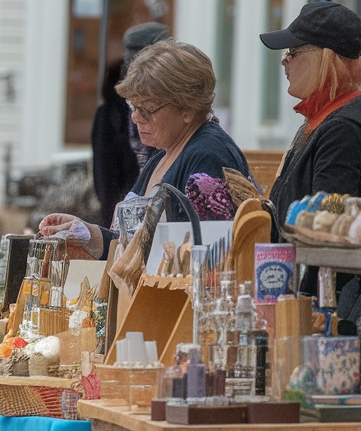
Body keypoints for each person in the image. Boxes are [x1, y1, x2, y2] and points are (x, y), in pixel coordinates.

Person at [39, 39, 252, 259]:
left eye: (148, 108)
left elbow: (208, 258)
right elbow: (133, 243)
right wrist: (90, 234)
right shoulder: (164, 154)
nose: (135, 117)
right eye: (133, 105)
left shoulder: (208, 157)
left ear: (188, 108)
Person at [260, 1, 361, 328]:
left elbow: (330, 212)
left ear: (325, 57)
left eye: (294, 51)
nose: (285, 60)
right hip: (324, 296)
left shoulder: (342, 129)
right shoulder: (324, 120)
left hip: (335, 309)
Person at [90, 23, 170, 226]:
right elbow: (105, 182)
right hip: (126, 219)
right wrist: (117, 228)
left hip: (162, 217)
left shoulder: (172, 110)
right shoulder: (109, 115)